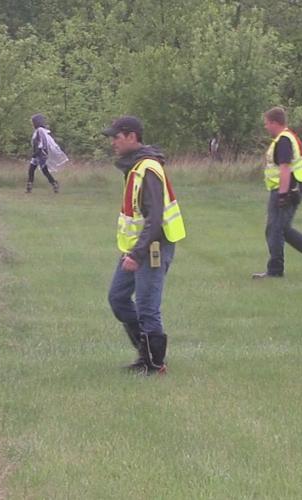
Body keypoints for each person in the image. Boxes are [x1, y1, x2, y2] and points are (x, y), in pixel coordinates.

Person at [104, 116, 186, 376]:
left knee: (147, 306)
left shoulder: (148, 168)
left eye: (116, 137)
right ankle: (145, 352)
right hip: (138, 248)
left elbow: (155, 219)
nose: (113, 143)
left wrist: (138, 254)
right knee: (118, 298)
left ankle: (154, 365)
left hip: (152, 248)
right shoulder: (136, 166)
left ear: (131, 136)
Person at [252, 107, 302, 279]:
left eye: (267, 124)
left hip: (287, 189)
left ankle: (275, 271)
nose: (266, 127)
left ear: (275, 123)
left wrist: (282, 195)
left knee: (275, 229)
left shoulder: (283, 141)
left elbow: (284, 168)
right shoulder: (287, 137)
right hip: (290, 187)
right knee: (283, 230)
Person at [26, 114, 60, 194]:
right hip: (37, 154)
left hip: (40, 153)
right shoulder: (38, 130)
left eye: (33, 122)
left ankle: (54, 183)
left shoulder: (40, 130)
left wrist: (40, 151)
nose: (32, 124)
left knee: (42, 170)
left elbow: (43, 141)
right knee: (33, 170)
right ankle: (29, 187)